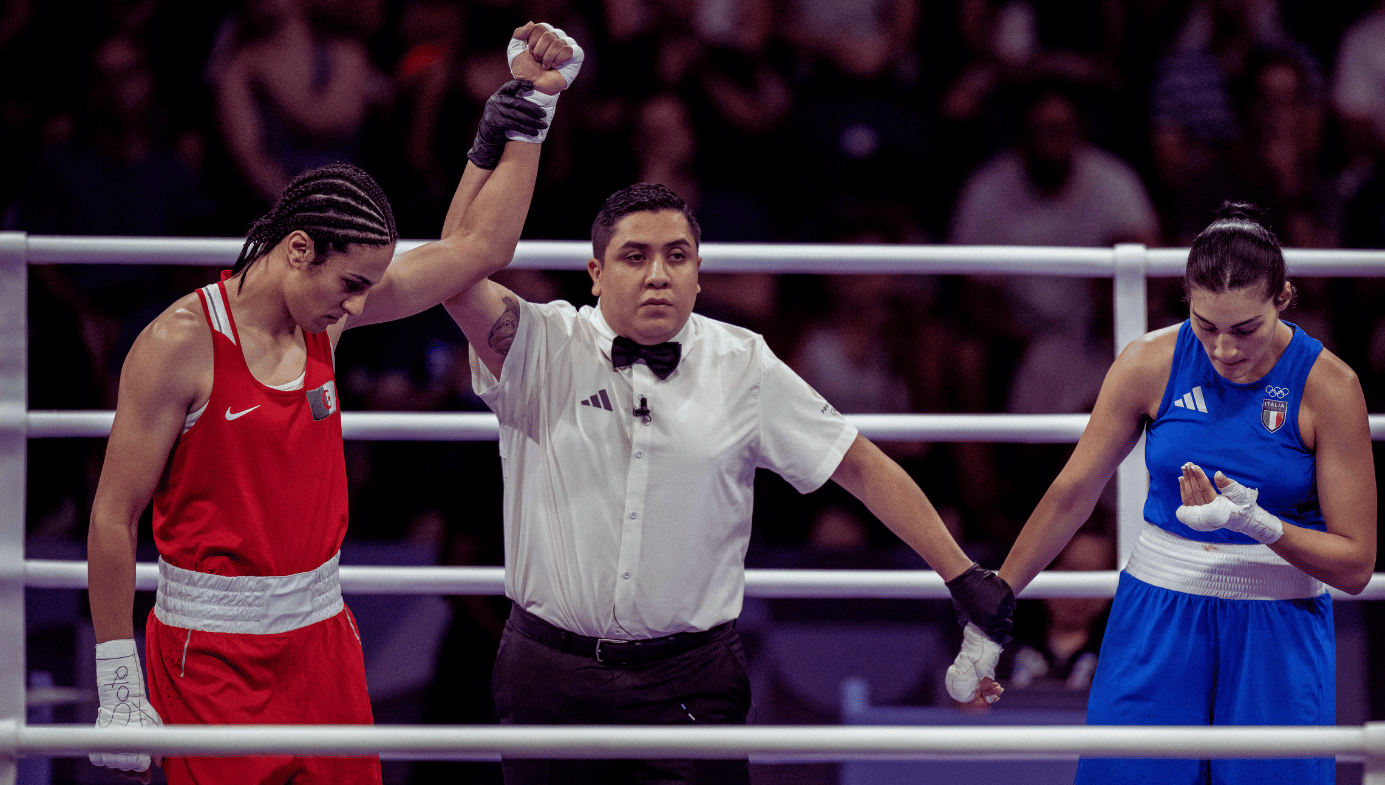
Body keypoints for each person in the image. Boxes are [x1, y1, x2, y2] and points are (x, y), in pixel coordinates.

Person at [85, 21, 583, 784]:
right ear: (296, 250)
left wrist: (529, 110)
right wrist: (119, 683)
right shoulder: (176, 344)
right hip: (209, 653)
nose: (359, 307)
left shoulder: (327, 315)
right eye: (349, 284)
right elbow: (113, 516)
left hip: (321, 638)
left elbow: (478, 251)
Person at [441, 181, 1015, 785]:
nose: (657, 274)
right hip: (548, 673)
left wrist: (963, 575)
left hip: (690, 679)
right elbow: (453, 272)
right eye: (635, 256)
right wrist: (500, 145)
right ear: (595, 273)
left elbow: (861, 466)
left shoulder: (742, 363)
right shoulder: (543, 343)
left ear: (698, 273)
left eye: (676, 255)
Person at [955, 203, 1376, 784]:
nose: (1225, 350)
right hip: (1156, 617)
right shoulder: (1149, 363)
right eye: (1206, 327)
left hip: (1277, 629)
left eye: (1245, 329)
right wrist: (996, 602)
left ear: (1283, 298)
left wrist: (1258, 524)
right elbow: (1073, 493)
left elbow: (1356, 565)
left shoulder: (1331, 387)